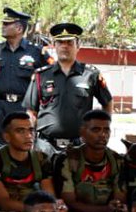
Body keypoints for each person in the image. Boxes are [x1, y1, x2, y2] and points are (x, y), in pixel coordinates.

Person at [23, 22, 113, 152]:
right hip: (45, 146)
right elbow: (31, 112)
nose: (65, 46)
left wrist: (103, 129)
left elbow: (107, 102)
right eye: (60, 42)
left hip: (80, 146)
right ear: (54, 45)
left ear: (78, 46)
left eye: (70, 42)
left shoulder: (90, 75)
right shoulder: (40, 75)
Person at [57, 109, 126, 212]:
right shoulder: (69, 159)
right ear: (82, 133)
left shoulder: (117, 161)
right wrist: (103, 210)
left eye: (106, 130)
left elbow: (119, 197)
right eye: (96, 130)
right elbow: (70, 202)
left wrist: (116, 208)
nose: (102, 135)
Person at [0, 7, 48, 144]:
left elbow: (51, 77)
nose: (2, 26)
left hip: (24, 108)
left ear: (19, 28)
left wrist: (40, 108)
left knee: (22, 146)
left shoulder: (36, 51)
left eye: (7, 24)